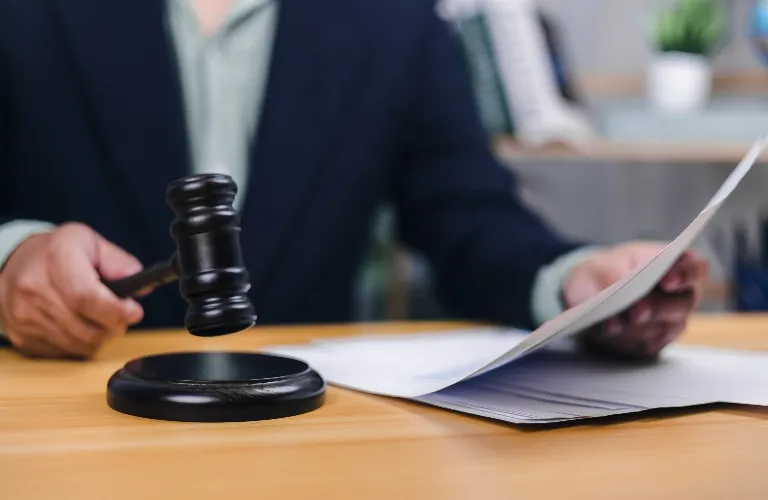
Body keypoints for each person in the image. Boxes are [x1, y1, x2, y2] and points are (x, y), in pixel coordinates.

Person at [0, 0, 707, 359]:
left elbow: (467, 215)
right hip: (66, 419)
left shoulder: (393, 18)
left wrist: (573, 282)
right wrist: (10, 261)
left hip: (309, 439)